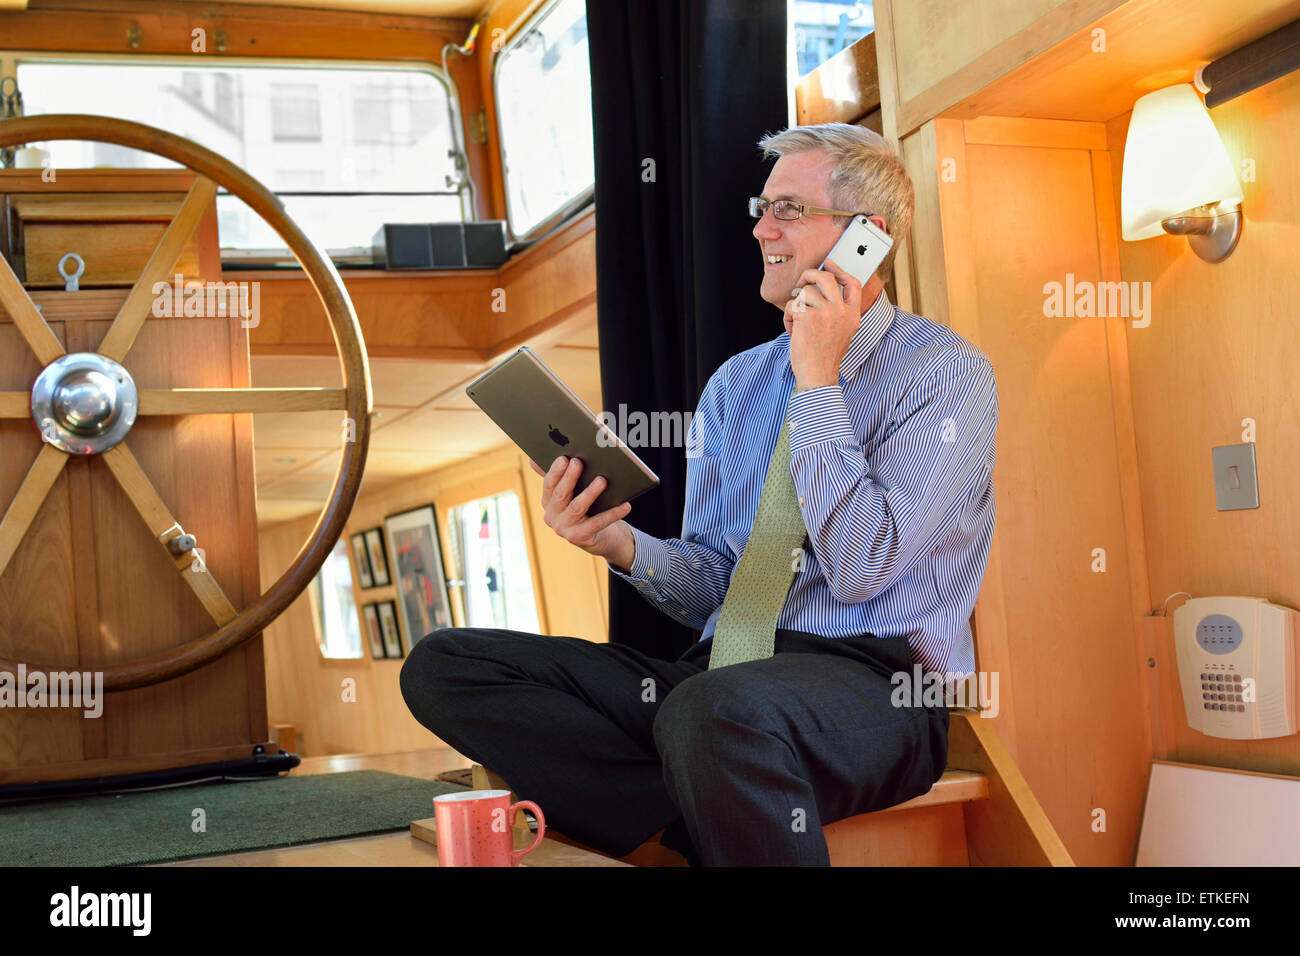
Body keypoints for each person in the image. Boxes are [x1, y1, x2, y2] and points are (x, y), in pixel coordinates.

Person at [400, 122, 998, 866]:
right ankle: (680, 797)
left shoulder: (946, 375)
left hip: (878, 688)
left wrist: (818, 377)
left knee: (709, 713)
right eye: (762, 205)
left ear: (864, 239)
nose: (759, 227)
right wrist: (619, 544)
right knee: (444, 664)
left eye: (787, 209)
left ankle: (675, 793)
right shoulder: (735, 386)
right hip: (717, 677)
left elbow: (864, 565)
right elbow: (716, 580)